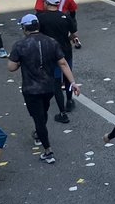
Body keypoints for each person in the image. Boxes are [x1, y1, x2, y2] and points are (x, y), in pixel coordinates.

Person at [8, 14, 79, 165]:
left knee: (38, 118)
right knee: (43, 112)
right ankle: (40, 134)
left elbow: (11, 67)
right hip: (49, 87)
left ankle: (48, 150)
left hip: (31, 88)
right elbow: (63, 63)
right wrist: (72, 82)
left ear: (24, 28)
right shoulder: (51, 42)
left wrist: (21, 61)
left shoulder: (20, 45)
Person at [36, 0, 78, 121]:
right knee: (67, 76)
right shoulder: (65, 17)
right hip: (66, 50)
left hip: (50, 53)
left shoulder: (41, 18)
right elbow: (72, 33)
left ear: (47, 3)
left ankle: (62, 113)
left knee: (56, 82)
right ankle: (70, 101)